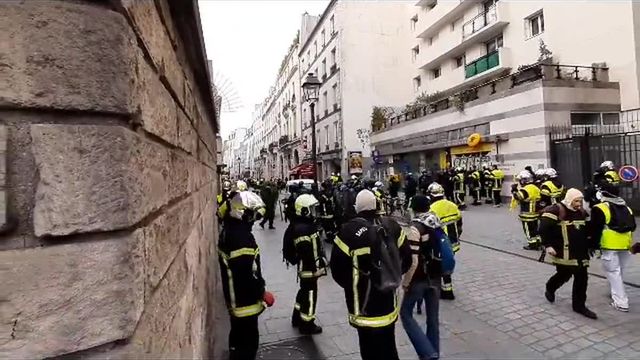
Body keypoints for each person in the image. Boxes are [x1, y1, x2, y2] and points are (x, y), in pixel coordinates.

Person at [331, 190, 412, 360]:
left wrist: (354, 285)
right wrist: (392, 276)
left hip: (362, 305)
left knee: (368, 349)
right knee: (389, 345)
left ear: (356, 208)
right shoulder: (392, 226)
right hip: (388, 301)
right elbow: (407, 259)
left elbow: (337, 270)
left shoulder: (347, 232)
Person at [218, 191, 274, 360]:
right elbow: (247, 274)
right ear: (242, 213)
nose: (253, 219)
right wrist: (262, 293)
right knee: (247, 346)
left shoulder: (230, 231)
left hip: (236, 299)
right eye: (251, 215)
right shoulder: (241, 238)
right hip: (245, 303)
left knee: (237, 341)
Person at [540, 189, 597, 319]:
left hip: (580, 252)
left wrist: (592, 244)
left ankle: (579, 306)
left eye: (580, 201)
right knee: (564, 274)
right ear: (570, 199)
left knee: (582, 277)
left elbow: (587, 230)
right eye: (576, 201)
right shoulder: (556, 210)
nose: (579, 204)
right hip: (563, 251)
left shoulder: (582, 212)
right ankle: (550, 287)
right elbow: (543, 229)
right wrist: (548, 245)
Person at [401, 195, 446, 360]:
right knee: (433, 319)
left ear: (413, 208)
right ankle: (434, 351)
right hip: (436, 276)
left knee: (405, 314)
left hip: (419, 278)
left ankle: (428, 353)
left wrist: (406, 282)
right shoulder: (436, 221)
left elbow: (413, 260)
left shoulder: (415, 227)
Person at [283, 194, 327, 334]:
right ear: (304, 210)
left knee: (303, 292)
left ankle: (296, 317)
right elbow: (306, 252)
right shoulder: (303, 229)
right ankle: (307, 324)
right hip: (309, 269)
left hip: (307, 268)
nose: (314, 211)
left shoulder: (303, 225)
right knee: (309, 295)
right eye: (311, 208)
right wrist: (316, 268)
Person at [590, 190, 636, 312]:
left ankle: (621, 302)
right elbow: (634, 226)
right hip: (625, 245)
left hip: (609, 246)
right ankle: (614, 293)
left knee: (613, 273)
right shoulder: (627, 208)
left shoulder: (600, 208)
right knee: (619, 272)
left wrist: (593, 245)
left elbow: (595, 229)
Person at [428, 183, 462, 300]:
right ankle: (447, 288)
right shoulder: (453, 205)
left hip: (441, 243)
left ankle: (444, 290)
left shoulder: (432, 209)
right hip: (453, 242)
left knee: (439, 265)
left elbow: (431, 228)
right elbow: (460, 223)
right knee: (447, 264)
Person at [512, 170, 542, 250]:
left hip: (527, 214)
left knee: (528, 230)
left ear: (524, 180)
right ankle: (538, 242)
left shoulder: (525, 189)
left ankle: (532, 244)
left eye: (520, 180)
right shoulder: (535, 187)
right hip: (535, 213)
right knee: (535, 229)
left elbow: (519, 197)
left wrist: (514, 190)